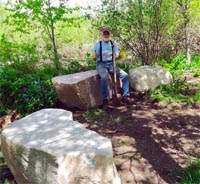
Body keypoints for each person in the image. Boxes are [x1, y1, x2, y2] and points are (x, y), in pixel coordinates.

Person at [92, 27, 132, 106]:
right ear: (102, 34)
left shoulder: (113, 44)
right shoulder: (98, 44)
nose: (106, 35)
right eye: (104, 33)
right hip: (101, 64)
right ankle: (105, 100)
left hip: (111, 64)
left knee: (125, 75)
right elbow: (94, 58)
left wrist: (119, 57)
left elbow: (116, 57)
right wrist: (94, 57)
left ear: (109, 34)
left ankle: (126, 96)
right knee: (104, 77)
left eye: (107, 33)